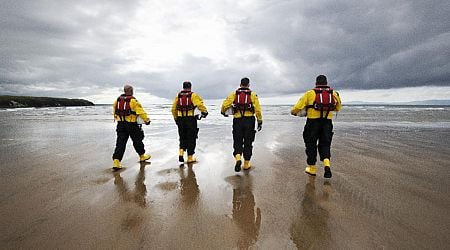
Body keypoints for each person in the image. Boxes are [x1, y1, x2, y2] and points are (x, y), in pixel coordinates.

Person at [291, 75, 342, 178]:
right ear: (326, 83)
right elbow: (338, 107)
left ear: (316, 83)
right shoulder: (334, 93)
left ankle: (312, 168)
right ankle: (326, 165)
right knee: (325, 144)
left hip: (312, 123)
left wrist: (293, 112)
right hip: (327, 122)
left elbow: (297, 107)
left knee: (310, 144)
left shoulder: (310, 93)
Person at [221, 77, 263, 172]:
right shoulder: (253, 95)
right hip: (249, 121)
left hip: (237, 120)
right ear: (248, 85)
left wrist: (223, 112)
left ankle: (238, 158)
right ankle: (246, 164)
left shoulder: (234, 94)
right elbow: (258, 110)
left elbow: (225, 105)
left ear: (240, 85)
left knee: (237, 140)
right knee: (248, 142)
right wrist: (259, 121)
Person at [112, 84, 151, 170]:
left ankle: (116, 161)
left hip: (121, 124)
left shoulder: (117, 101)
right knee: (137, 141)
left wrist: (119, 120)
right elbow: (141, 112)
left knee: (120, 143)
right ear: (131, 91)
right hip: (132, 125)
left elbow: (114, 112)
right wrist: (147, 120)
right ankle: (142, 156)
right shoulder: (133, 101)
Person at [171, 81, 208, 163]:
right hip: (191, 119)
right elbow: (199, 105)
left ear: (183, 87)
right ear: (190, 87)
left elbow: (173, 109)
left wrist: (176, 118)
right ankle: (190, 157)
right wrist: (205, 112)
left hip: (180, 119)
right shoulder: (193, 95)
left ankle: (181, 152)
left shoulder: (178, 95)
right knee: (192, 138)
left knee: (182, 137)